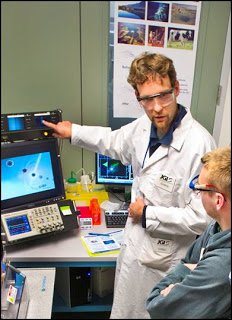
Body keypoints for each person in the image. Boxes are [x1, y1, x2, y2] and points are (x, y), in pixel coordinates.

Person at [43, 52, 216, 319]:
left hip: (164, 261)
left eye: (163, 95)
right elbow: (111, 141)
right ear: (138, 97)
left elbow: (202, 219)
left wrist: (147, 214)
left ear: (177, 88)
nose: (156, 107)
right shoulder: (143, 127)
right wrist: (73, 132)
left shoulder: (199, 145)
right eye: (147, 99)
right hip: (134, 249)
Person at [146, 146, 231, 319]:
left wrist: (185, 272)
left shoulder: (221, 265)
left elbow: (158, 307)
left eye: (200, 188)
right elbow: (189, 260)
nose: (197, 193)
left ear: (218, 200)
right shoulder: (216, 226)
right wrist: (191, 267)